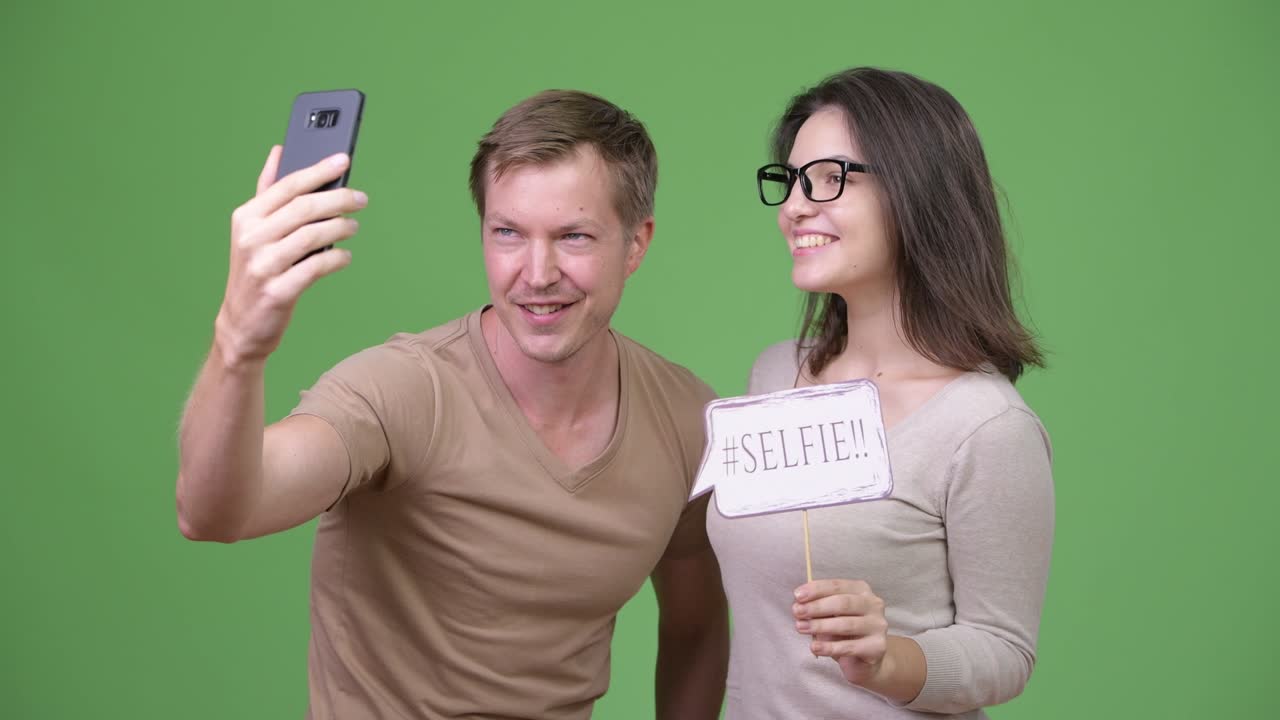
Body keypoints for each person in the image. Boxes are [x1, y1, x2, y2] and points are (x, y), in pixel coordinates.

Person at [176, 89, 728, 719]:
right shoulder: (403, 391)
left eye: (574, 236)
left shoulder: (686, 419)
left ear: (636, 244)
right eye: (508, 233)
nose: (538, 272)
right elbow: (216, 513)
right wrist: (236, 346)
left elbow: (696, 627)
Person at [707, 67, 1055, 718]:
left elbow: (1005, 650)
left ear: (917, 191)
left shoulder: (986, 426)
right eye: (789, 181)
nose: (793, 207)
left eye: (829, 179)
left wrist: (890, 657)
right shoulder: (774, 376)